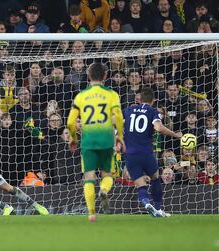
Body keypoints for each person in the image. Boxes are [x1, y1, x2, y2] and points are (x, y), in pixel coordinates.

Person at [67, 62, 125, 222]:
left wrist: (73, 137)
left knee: (89, 177)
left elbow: (71, 122)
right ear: (105, 76)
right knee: (107, 174)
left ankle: (92, 213)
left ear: (88, 76)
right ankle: (104, 190)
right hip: (106, 139)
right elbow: (119, 117)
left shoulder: (81, 96)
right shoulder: (112, 94)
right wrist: (119, 135)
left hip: (88, 141)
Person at [123, 87, 182, 218]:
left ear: (139, 99)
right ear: (153, 100)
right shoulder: (152, 111)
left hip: (130, 154)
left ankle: (145, 203)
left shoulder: (128, 110)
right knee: (155, 178)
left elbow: (117, 127)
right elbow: (159, 127)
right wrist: (175, 135)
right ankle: (158, 208)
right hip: (146, 153)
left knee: (140, 184)